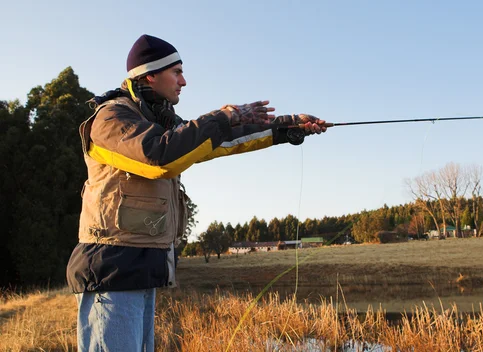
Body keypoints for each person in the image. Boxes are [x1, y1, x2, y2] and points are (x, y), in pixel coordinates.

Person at [66, 34, 327, 351]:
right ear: (150, 74)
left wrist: (286, 127)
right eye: (176, 72)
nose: (184, 81)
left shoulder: (156, 122)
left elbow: (217, 141)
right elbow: (160, 158)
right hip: (112, 269)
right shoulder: (111, 119)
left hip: (141, 267)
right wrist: (222, 116)